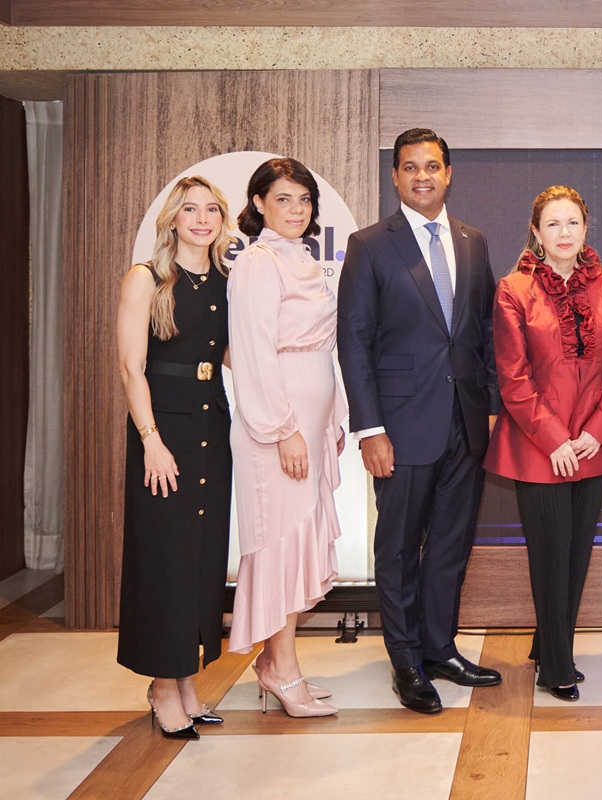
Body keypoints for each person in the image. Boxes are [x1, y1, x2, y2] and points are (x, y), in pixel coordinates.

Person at [338, 128, 502, 715]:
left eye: (432, 166)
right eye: (410, 167)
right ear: (395, 177)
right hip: (400, 427)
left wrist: (486, 410)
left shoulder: (473, 241)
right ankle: (405, 660)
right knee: (401, 546)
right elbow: (353, 343)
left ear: (449, 173)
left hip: (464, 422)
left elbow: (481, 333)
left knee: (451, 545)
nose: (422, 176)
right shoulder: (368, 245)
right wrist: (370, 428)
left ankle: (440, 648)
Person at [485, 186, 602, 701]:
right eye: (553, 224)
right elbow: (513, 377)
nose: (564, 233)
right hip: (537, 445)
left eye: (572, 222)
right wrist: (554, 439)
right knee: (550, 554)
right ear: (536, 232)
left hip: (595, 443)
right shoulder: (512, 289)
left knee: (576, 553)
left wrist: (596, 431)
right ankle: (556, 665)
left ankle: (549, 643)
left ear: (586, 227)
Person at [116, 176, 235, 739]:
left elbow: (241, 356)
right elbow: (130, 367)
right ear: (172, 218)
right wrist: (150, 437)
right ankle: (163, 684)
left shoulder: (225, 281)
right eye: (191, 209)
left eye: (212, 209)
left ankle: (187, 677)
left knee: (204, 555)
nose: (202, 218)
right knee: (165, 558)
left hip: (213, 425)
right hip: (163, 432)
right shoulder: (147, 278)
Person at [227, 157, 345, 718]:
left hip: (310, 419)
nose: (296, 210)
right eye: (283, 199)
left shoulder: (304, 259)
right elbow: (251, 353)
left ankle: (278, 663)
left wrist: (332, 415)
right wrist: (284, 430)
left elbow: (322, 344)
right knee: (278, 542)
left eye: (303, 200)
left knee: (297, 540)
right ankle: (280, 668)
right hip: (275, 425)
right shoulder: (256, 262)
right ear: (258, 204)